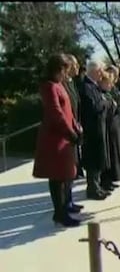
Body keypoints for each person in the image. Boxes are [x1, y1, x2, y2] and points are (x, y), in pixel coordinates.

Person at [32, 53, 82, 227]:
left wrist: (75, 126)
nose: (66, 74)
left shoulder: (60, 85)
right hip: (55, 138)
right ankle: (59, 213)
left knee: (64, 175)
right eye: (65, 70)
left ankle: (63, 209)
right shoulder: (49, 86)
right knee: (57, 177)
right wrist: (70, 133)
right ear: (58, 68)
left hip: (64, 135)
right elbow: (55, 113)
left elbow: (68, 109)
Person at [79, 60, 111, 200]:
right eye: (100, 71)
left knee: (98, 158)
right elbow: (93, 106)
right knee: (93, 159)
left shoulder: (94, 86)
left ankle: (97, 186)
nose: (101, 74)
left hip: (98, 127)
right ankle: (92, 188)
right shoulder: (86, 86)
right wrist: (104, 103)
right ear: (94, 71)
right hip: (91, 129)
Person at [62, 54, 84, 214]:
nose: (77, 67)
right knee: (65, 171)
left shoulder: (72, 83)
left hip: (75, 128)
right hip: (67, 132)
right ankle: (65, 203)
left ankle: (70, 200)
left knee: (72, 168)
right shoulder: (61, 84)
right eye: (75, 65)